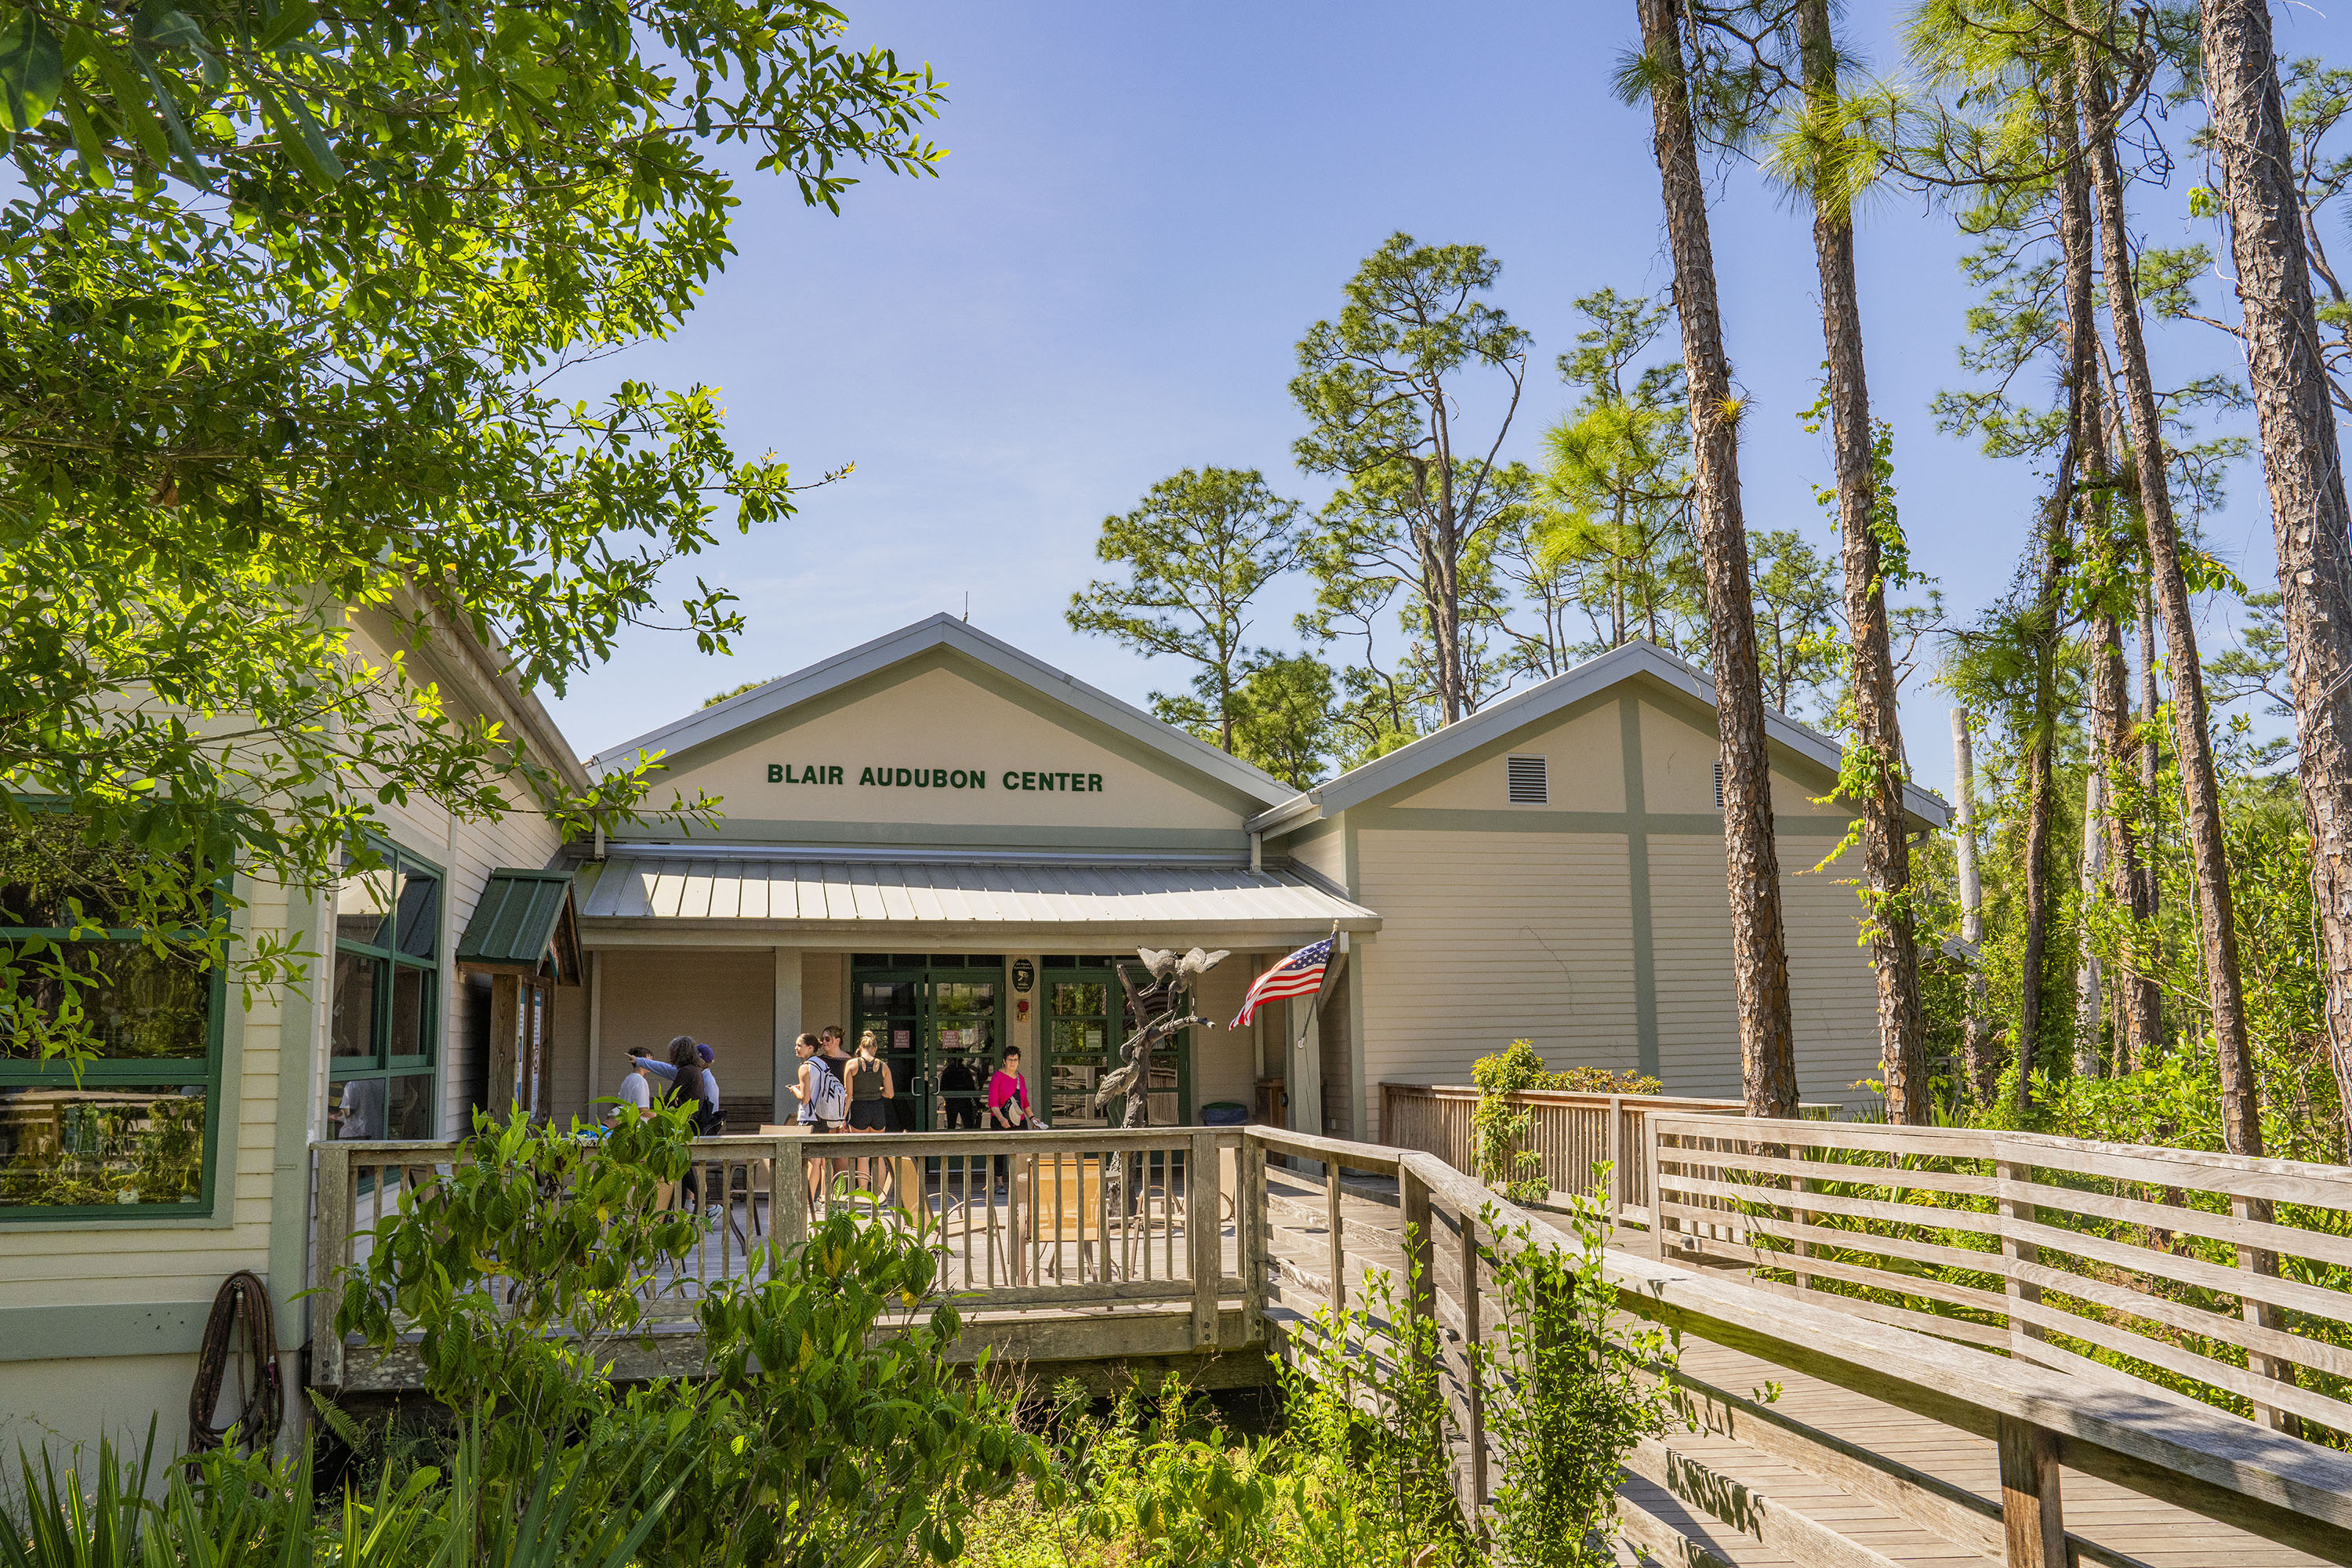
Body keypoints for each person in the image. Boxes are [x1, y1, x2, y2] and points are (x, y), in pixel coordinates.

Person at [789, 1032, 845, 1206]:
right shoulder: (822, 1064)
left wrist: (794, 1090)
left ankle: (806, 1199)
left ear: (811, 1047)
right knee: (818, 1159)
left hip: (809, 1117)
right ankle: (813, 1197)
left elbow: (805, 1098)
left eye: (800, 1045)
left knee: (809, 1160)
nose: (796, 1048)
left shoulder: (805, 1067)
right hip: (823, 1116)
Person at [844, 1029, 895, 1193]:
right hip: (877, 1109)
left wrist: (842, 1118)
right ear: (875, 1048)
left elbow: (848, 1094)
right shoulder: (883, 1066)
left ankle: (864, 1194)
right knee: (878, 1154)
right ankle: (880, 1195)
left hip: (859, 1108)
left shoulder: (851, 1065)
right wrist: (877, 1090)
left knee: (863, 1155)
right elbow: (890, 1094)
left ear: (860, 1047)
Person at [635, 1037, 723, 1133]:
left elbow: (711, 1110)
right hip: (692, 1123)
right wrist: (640, 1061)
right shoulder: (696, 1072)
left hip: (692, 1125)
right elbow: (666, 1069)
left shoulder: (703, 1078)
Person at [985, 1047, 1030, 1190]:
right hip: (1001, 1119)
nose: (1012, 1063)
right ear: (1004, 1061)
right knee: (1000, 1151)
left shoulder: (1020, 1078)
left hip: (1019, 1119)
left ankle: (1021, 1181)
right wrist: (1001, 1119)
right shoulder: (998, 1077)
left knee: (1023, 1150)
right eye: (1010, 1060)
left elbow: (1024, 1102)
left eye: (1015, 1060)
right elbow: (992, 1102)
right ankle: (999, 1183)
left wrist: (1033, 1118)